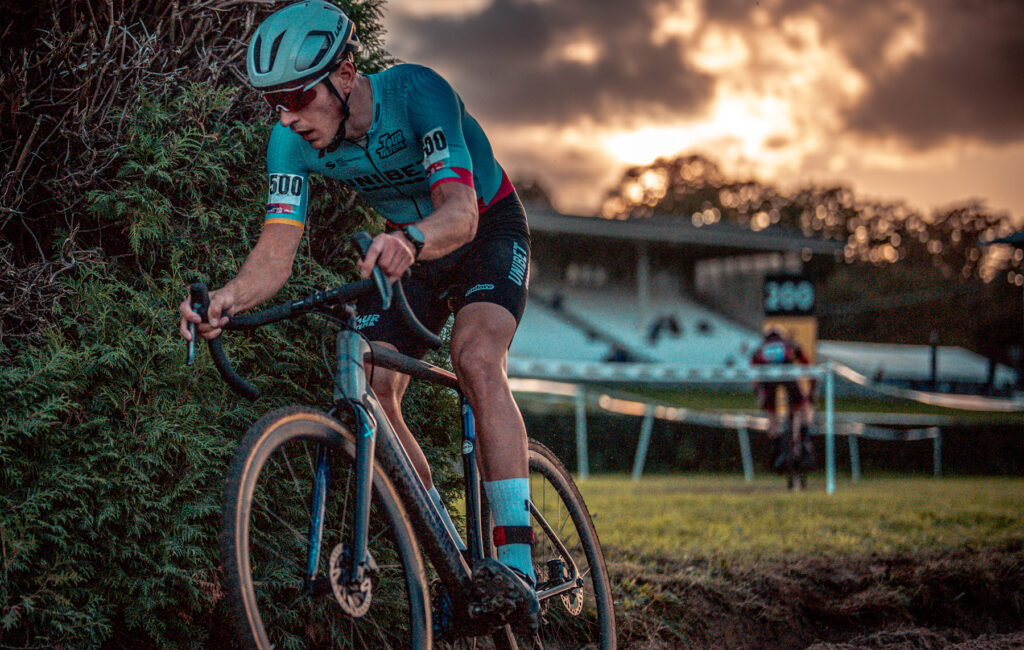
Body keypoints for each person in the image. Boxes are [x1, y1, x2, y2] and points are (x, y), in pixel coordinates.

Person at [177, 0, 537, 629]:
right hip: (407, 246)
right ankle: (451, 555)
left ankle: (517, 565)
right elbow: (277, 251)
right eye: (274, 103)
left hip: (483, 227)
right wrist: (229, 298)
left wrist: (412, 240)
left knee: (477, 357)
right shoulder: (290, 141)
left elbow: (459, 212)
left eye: (296, 96)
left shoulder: (418, 93)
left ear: (344, 75)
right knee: (372, 384)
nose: (287, 117)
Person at [750, 328, 815, 472]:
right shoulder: (789, 344)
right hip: (788, 376)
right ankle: (804, 444)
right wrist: (811, 392)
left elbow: (755, 376)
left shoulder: (760, 349)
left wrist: (759, 395)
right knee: (801, 406)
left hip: (768, 380)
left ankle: (777, 450)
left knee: (771, 413)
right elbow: (807, 366)